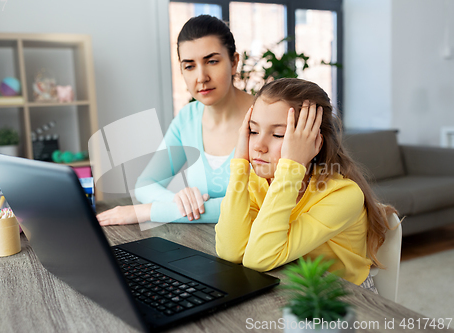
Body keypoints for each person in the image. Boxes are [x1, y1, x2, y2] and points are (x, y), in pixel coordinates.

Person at [215, 78, 396, 292]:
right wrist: (240, 166)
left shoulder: (344, 195)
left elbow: (258, 258)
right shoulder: (258, 182)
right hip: (288, 286)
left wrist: (291, 168)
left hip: (343, 299)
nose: (258, 146)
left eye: (278, 134)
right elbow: (230, 251)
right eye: (253, 131)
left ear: (314, 142)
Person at [97, 15, 254, 225]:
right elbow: (145, 184)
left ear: (234, 62)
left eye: (212, 61)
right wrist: (177, 202)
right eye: (189, 66)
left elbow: (255, 205)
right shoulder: (187, 118)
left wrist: (149, 212)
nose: (201, 77)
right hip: (201, 244)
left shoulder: (266, 120)